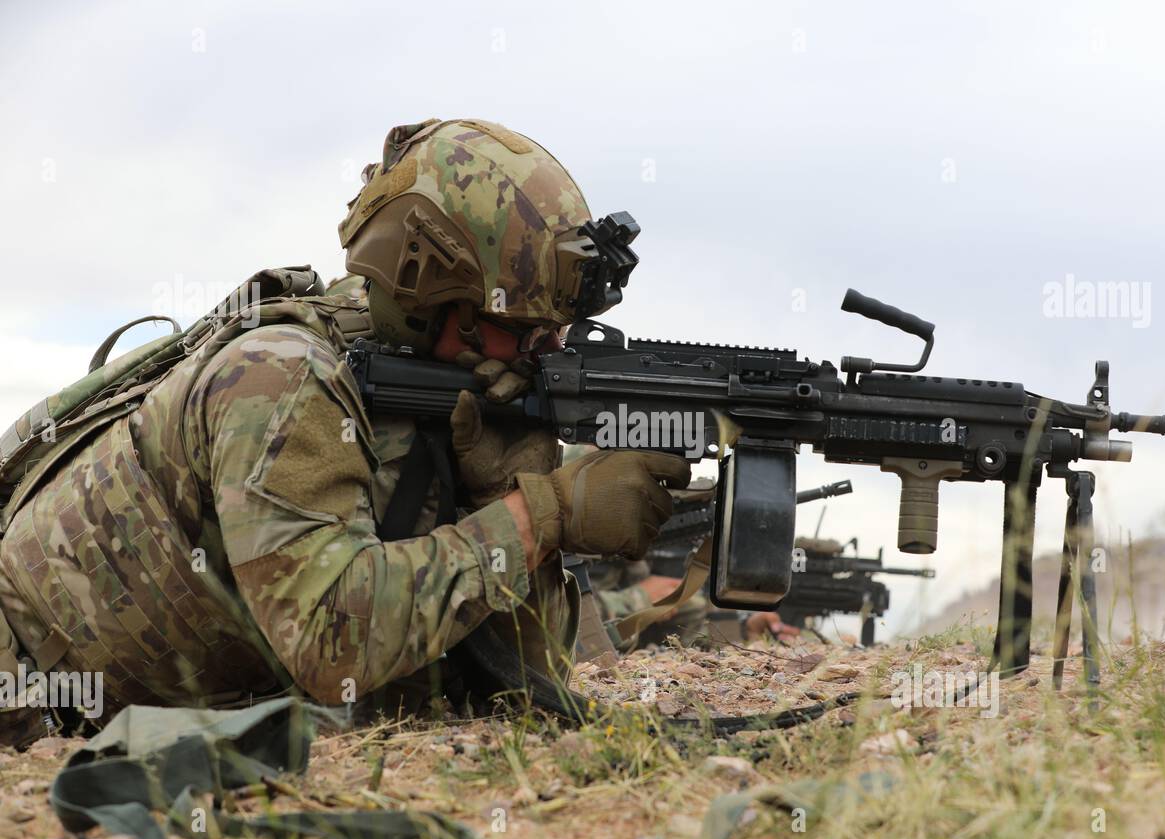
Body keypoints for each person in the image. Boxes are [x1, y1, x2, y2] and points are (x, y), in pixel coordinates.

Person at [0, 117, 688, 747]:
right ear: (430, 292)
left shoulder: (436, 388)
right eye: (525, 329)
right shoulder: (280, 379)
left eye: (557, 331)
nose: (547, 351)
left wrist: (501, 491)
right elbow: (334, 644)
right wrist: (542, 514)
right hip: (28, 711)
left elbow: (516, 691)